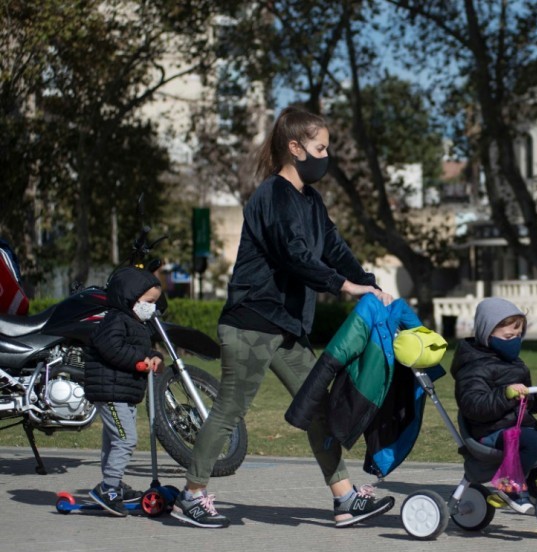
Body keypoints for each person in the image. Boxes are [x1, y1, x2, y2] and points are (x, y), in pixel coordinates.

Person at [172, 106, 394, 528]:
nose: (326, 156)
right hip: (251, 321)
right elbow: (295, 255)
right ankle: (191, 494)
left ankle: (344, 499)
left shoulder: (310, 200)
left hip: (287, 327)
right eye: (320, 147)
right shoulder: (271, 196)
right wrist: (342, 286)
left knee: (319, 410)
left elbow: (333, 247)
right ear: (295, 148)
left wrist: (368, 282)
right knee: (231, 408)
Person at [450, 297, 537, 514]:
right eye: (508, 336)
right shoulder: (473, 365)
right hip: (489, 430)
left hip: (516, 427)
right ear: (487, 335)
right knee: (535, 442)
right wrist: (505, 394)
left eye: (518, 336)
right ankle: (509, 487)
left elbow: (524, 402)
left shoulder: (515, 364)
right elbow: (473, 406)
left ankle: (530, 483)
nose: (515, 341)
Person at [84, 266, 164, 516]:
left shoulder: (136, 323)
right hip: (111, 393)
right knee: (126, 440)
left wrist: (153, 356)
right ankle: (107, 488)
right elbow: (112, 347)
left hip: (123, 392)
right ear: (130, 298)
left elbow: (140, 349)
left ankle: (113, 483)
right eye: (148, 302)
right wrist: (139, 360)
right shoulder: (116, 320)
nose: (151, 307)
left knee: (113, 441)